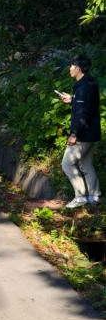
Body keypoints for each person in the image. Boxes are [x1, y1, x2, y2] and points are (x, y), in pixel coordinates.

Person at [58, 54, 102, 208]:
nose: (69, 69)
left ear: (77, 69)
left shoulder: (83, 88)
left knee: (67, 164)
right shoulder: (89, 83)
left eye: (71, 66)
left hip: (83, 134)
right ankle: (94, 196)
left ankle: (81, 197)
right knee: (87, 165)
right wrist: (73, 100)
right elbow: (87, 106)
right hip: (92, 133)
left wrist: (74, 134)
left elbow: (82, 114)